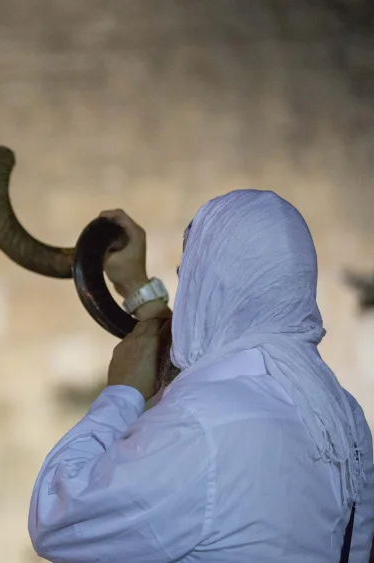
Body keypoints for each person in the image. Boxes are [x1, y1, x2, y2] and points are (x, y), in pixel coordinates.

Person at [28, 190, 374, 562]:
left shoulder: (199, 424)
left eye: (187, 275)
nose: (187, 290)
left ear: (210, 287)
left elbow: (57, 521)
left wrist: (121, 393)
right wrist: (137, 288)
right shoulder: (343, 417)